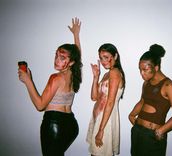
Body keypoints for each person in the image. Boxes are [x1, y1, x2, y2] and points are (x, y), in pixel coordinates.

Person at [18, 17, 82, 156]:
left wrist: (28, 80)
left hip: (54, 125)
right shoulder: (73, 73)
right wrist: (76, 35)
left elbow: (40, 106)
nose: (57, 60)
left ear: (71, 62)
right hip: (71, 125)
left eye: (62, 58)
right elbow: (78, 56)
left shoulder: (56, 77)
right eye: (57, 55)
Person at [129, 44, 172, 156]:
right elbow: (142, 101)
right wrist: (131, 115)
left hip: (152, 136)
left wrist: (161, 130)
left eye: (145, 70)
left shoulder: (169, 86)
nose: (141, 73)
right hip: (137, 132)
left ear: (156, 68)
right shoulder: (146, 83)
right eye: (140, 70)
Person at [86, 43, 126, 156]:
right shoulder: (106, 75)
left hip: (105, 121)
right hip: (99, 118)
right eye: (101, 58)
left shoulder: (115, 73)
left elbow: (110, 102)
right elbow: (94, 97)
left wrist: (101, 130)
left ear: (115, 56)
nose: (103, 61)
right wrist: (95, 77)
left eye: (106, 57)